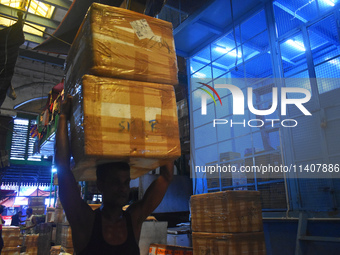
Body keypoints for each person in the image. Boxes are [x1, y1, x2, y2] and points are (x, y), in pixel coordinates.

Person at [55, 95, 175, 255]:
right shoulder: (86, 221)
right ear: (100, 185)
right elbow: (63, 169)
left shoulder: (133, 219)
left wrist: (166, 124)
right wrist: (63, 117)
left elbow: (166, 177)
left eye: (126, 182)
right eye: (116, 182)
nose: (123, 188)